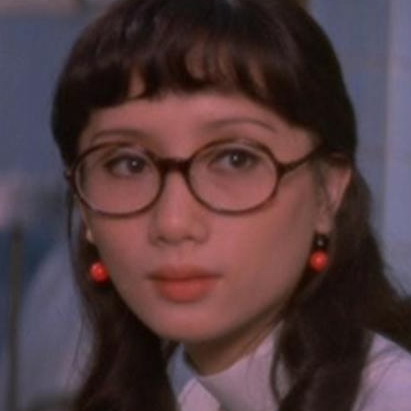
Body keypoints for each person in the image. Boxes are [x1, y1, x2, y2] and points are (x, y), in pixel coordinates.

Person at [50, 0, 411, 410]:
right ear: (83, 203)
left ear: (328, 192)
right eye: (128, 164)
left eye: (235, 159)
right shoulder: (198, 398)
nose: (173, 222)